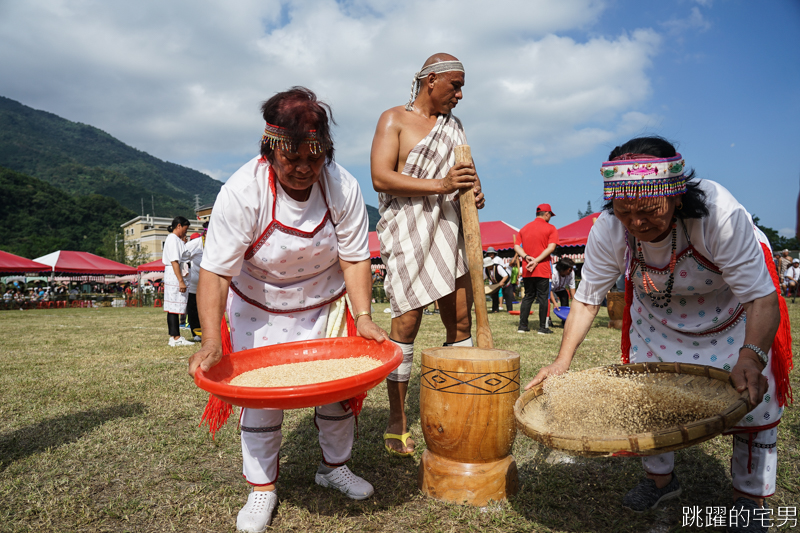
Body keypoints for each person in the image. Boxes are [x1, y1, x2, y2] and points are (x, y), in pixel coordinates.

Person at [526, 137, 792, 531]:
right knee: (646, 398)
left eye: (649, 210)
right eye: (624, 210)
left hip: (735, 314)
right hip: (658, 318)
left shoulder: (719, 214)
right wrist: (561, 361)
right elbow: (586, 301)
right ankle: (659, 481)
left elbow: (759, 297)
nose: (635, 222)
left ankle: (748, 499)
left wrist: (752, 355)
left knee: (754, 400)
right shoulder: (609, 231)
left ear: (677, 197)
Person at [188, 87, 389, 532]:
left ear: (326, 154)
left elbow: (355, 257)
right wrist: (210, 340)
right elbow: (217, 272)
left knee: (337, 393)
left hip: (325, 302)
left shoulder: (344, 186)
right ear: (270, 151)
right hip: (259, 305)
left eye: (313, 160)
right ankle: (261, 489)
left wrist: (365, 316)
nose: (302, 169)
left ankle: (332, 468)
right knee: (260, 403)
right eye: (291, 159)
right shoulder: (243, 191)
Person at [370, 53, 485, 456]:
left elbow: (465, 170)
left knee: (460, 318)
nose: (460, 94)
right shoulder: (393, 120)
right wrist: (441, 184)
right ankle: (397, 417)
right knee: (407, 323)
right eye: (455, 85)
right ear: (430, 80)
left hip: (449, 228)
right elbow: (381, 177)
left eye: (462, 86)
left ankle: (461, 406)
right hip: (408, 230)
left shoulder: (454, 126)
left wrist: (474, 189)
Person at [514, 204, 559, 334]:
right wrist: (536, 261)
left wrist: (527, 257)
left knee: (528, 296)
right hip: (542, 268)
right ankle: (542, 327)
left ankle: (522, 326)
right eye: (550, 215)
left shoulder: (524, 228)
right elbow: (551, 248)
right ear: (547, 214)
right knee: (544, 297)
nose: (550, 217)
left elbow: (516, 247)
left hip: (527, 269)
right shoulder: (551, 228)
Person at [163, 216, 193, 347]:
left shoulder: (177, 240)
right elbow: (174, 260)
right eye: (185, 229)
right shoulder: (173, 239)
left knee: (174, 306)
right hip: (175, 274)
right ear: (179, 226)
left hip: (177, 273)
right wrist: (180, 280)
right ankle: (175, 337)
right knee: (173, 307)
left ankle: (175, 336)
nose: (186, 232)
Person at [185, 223, 207, 341]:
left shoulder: (218, 242)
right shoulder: (195, 244)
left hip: (209, 283)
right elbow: (181, 257)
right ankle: (195, 332)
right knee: (193, 308)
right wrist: (185, 272)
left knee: (207, 308)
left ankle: (208, 332)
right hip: (194, 283)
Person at [549, 257, 575, 326]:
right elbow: (549, 290)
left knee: (564, 295)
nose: (571, 271)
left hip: (560, 288)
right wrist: (555, 303)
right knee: (545, 300)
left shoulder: (571, 273)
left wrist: (574, 302)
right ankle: (547, 319)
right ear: (563, 269)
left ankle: (565, 320)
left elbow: (572, 287)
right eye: (569, 270)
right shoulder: (553, 273)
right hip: (549, 289)